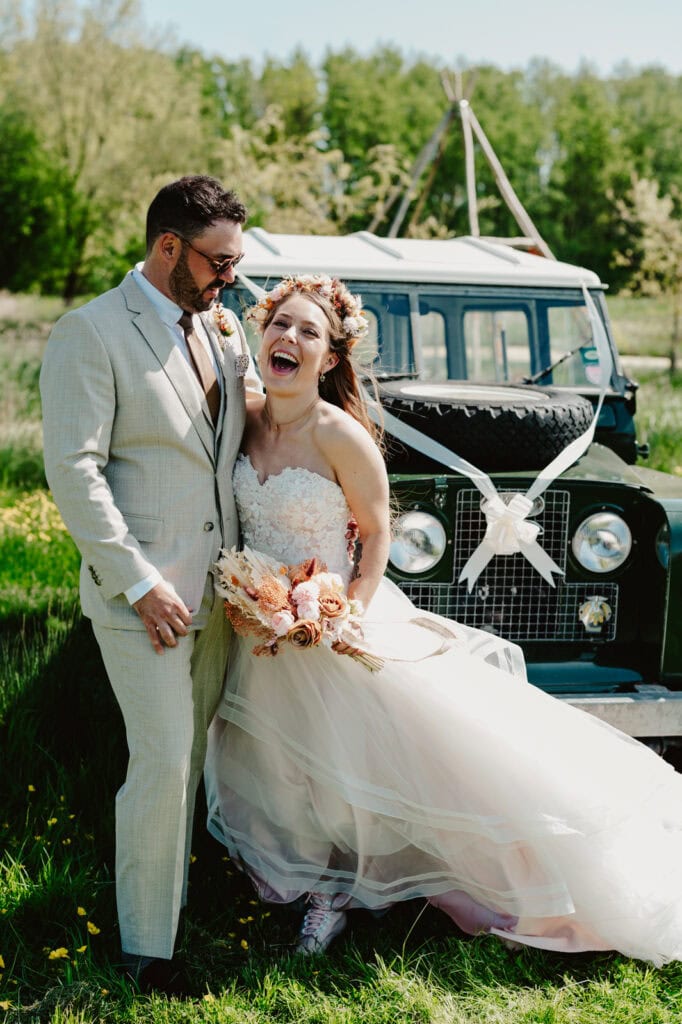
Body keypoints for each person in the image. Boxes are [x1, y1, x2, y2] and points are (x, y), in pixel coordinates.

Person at [204, 272, 682, 965]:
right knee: (279, 765)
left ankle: (344, 892)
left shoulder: (341, 435)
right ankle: (308, 880)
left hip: (331, 620)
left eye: (310, 332)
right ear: (262, 334)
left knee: (367, 767)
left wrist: (341, 617)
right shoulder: (242, 417)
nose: (290, 338)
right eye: (281, 325)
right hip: (262, 626)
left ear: (331, 359)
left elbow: (375, 540)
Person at [40, 176, 262, 994]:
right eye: (219, 261)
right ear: (169, 246)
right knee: (164, 760)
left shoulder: (223, 326)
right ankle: (145, 955)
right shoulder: (89, 331)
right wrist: (136, 582)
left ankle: (176, 906)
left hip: (226, 596)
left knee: (199, 754)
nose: (230, 277)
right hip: (146, 602)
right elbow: (74, 472)